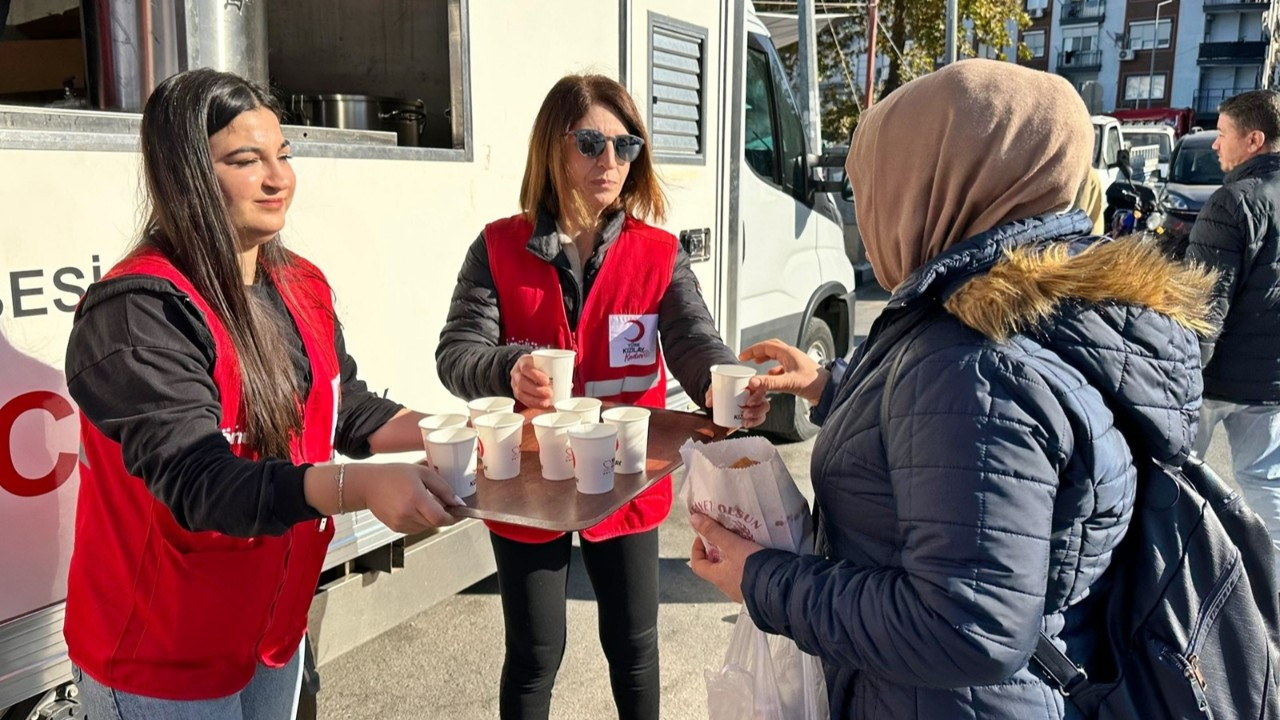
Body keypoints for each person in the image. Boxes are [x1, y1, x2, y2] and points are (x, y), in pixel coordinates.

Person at [689, 59, 1213, 718]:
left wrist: (759, 579)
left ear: (930, 185)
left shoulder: (973, 360)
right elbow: (954, 440)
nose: (867, 207)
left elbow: (966, 626)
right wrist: (828, 384)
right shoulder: (1035, 307)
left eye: (874, 183)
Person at [63, 69, 462, 720]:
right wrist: (360, 487)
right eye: (247, 160)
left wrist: (463, 433)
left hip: (271, 634)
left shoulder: (301, 283)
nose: (279, 179)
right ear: (186, 172)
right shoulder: (138, 313)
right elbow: (200, 483)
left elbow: (345, 408)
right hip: (161, 658)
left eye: (283, 155)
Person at [435, 73, 767, 720]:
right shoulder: (499, 247)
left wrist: (728, 385)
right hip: (529, 479)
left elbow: (695, 339)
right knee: (535, 653)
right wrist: (508, 367)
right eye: (591, 143)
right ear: (552, 149)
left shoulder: (658, 254)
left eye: (626, 146)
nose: (609, 161)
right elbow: (456, 354)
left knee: (634, 646)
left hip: (626, 475)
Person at [1186, 89, 1280, 575]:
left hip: (1214, 378)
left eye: (1223, 135)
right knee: (1266, 483)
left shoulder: (1232, 203)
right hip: (1270, 380)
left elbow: (1204, 306)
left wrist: (1181, 376)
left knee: (1174, 478)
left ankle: (1172, 582)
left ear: (1254, 139)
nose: (1215, 146)